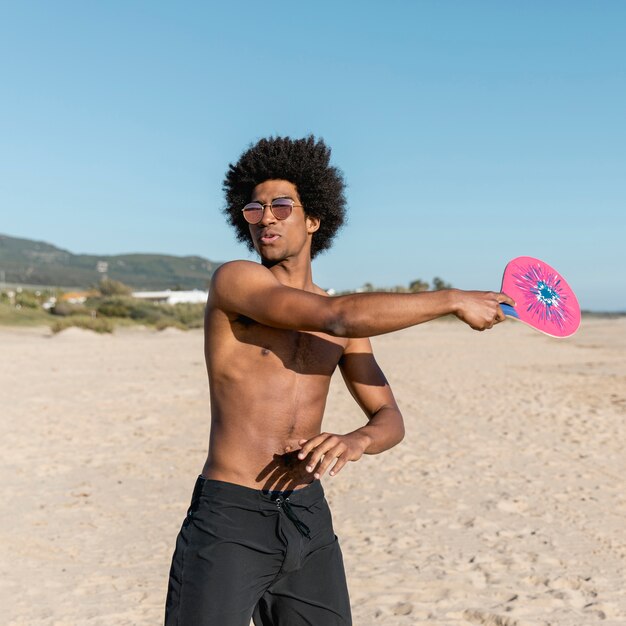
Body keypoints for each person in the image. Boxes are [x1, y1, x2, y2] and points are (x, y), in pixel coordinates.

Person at [165, 136, 514, 626]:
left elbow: (390, 418)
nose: (266, 217)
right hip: (230, 518)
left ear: (313, 219)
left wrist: (358, 440)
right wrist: (451, 299)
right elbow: (337, 317)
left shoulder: (340, 316)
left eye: (281, 205)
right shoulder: (236, 281)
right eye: (254, 208)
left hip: (308, 515)